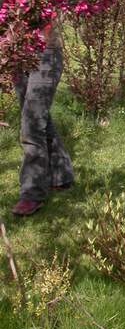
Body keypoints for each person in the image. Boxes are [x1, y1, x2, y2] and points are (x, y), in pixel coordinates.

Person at [11, 19, 74, 216]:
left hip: (45, 53)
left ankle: (31, 192)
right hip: (16, 55)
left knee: (32, 122)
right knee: (37, 119)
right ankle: (60, 175)